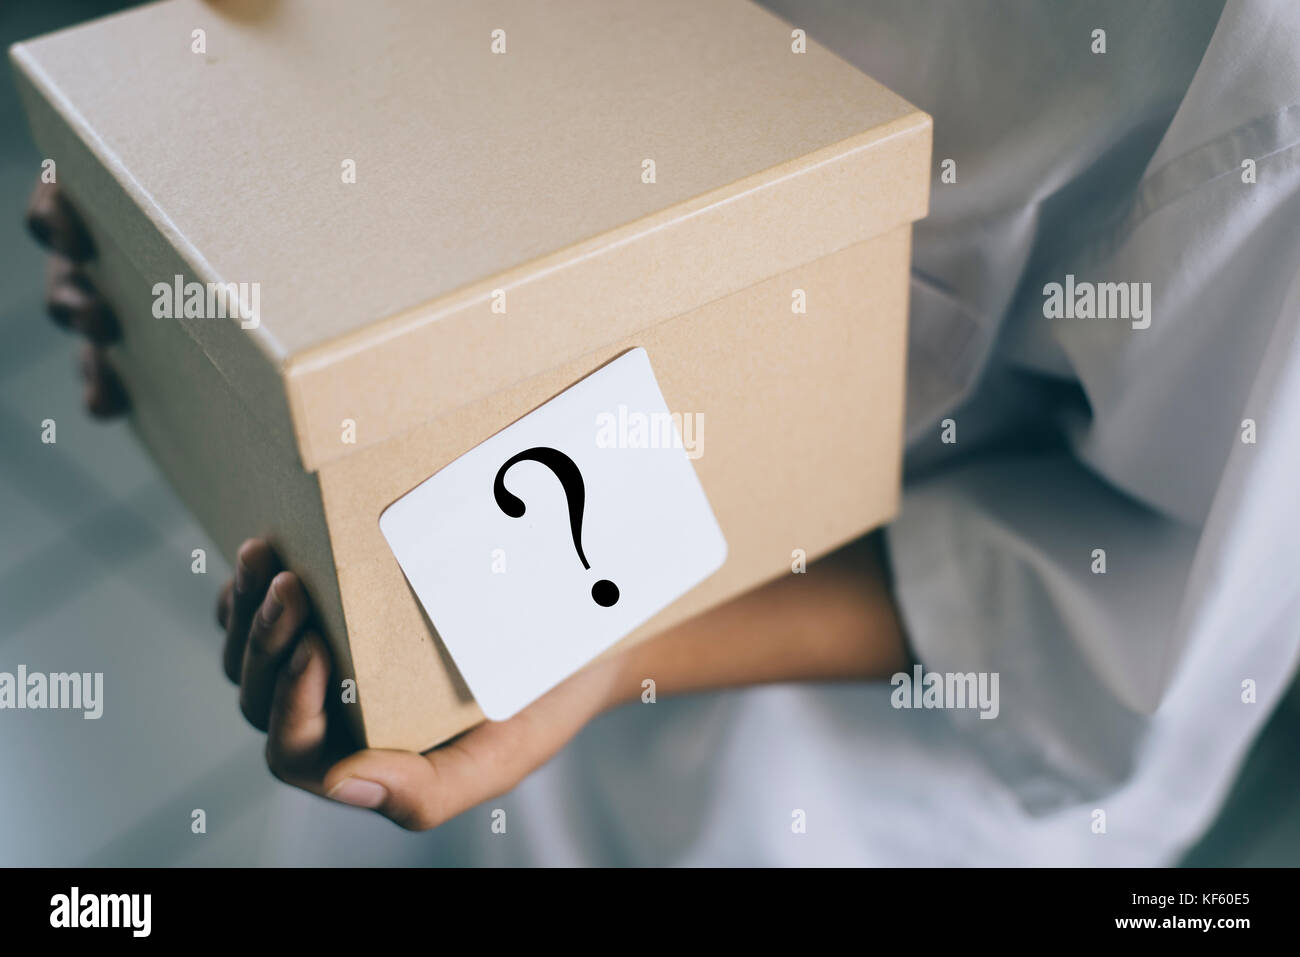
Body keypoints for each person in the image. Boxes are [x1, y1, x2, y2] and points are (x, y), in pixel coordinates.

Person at [25, 0, 1300, 863]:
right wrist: (192, 221)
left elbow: (1137, 628)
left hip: (804, 786)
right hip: (449, 600)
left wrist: (607, 656)